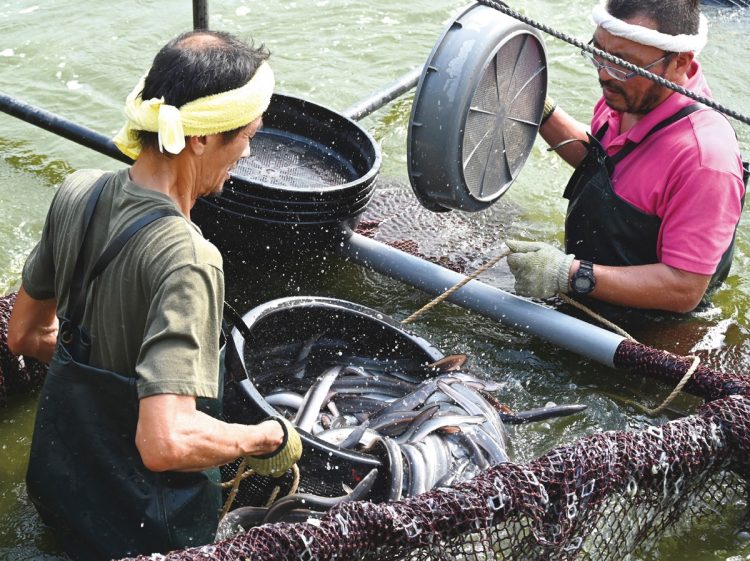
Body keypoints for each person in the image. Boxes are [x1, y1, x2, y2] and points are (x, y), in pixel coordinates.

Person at [7, 30, 302, 561]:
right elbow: (165, 444)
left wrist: (121, 382)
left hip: (59, 491)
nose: (249, 151)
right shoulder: (189, 259)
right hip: (142, 531)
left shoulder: (80, 190)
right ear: (201, 138)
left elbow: (24, 334)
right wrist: (265, 439)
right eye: (247, 136)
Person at [506, 0, 746, 313]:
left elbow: (684, 288)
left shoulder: (705, 161)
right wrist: (537, 105)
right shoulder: (629, 95)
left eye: (622, 63)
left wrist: (567, 273)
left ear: (680, 63)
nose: (604, 75)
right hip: (592, 287)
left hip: (648, 329)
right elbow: (605, 165)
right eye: (599, 52)